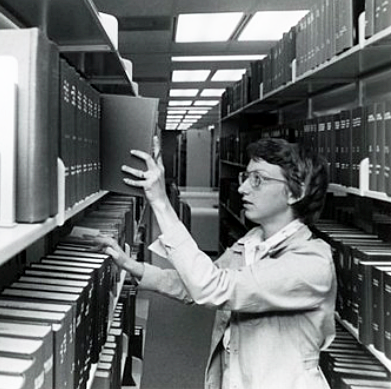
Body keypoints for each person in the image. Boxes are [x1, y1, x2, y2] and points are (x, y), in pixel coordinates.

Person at [92, 137, 336, 389]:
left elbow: (213, 287)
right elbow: (196, 283)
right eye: (246, 176)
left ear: (297, 192)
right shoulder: (251, 242)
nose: (242, 189)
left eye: (258, 179)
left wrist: (161, 203)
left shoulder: (311, 262)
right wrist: (134, 267)